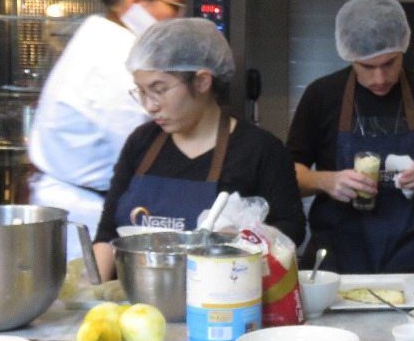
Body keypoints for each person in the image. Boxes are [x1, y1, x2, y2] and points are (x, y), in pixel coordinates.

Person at [93, 19, 305, 280]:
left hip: (223, 300)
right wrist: (93, 294)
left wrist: (243, 241)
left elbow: (291, 229)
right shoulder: (141, 142)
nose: (149, 106)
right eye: (141, 91)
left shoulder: (261, 149)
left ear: (202, 81)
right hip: (139, 303)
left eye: (159, 90)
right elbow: (108, 233)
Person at [287, 0, 414, 272]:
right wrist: (325, 180)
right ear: (350, 56)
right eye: (367, 66)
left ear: (403, 48)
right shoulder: (322, 95)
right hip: (337, 258)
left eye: (390, 63)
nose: (379, 78)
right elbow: (286, 175)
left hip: (411, 258)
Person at [28, 0, 185, 241]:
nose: (179, 17)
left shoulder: (103, 37)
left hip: (81, 203)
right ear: (137, 0)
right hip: (84, 216)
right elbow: (137, 152)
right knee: (91, 285)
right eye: (174, 6)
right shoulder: (117, 60)